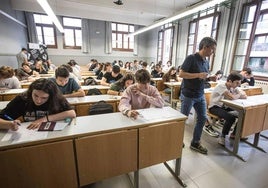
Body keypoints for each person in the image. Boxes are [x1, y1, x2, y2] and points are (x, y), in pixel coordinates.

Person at [179, 37, 217, 154]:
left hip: (200, 94)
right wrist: (198, 75)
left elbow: (202, 76)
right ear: (205, 47)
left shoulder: (206, 61)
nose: (213, 52)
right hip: (188, 94)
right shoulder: (191, 58)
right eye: (212, 49)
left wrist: (209, 77)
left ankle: (195, 142)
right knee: (182, 119)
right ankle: (177, 140)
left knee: (202, 118)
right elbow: (181, 74)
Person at [0, 78, 76, 130]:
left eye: (44, 98)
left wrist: (44, 119)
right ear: (31, 92)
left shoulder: (56, 98)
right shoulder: (22, 99)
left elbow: (72, 113)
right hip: (29, 133)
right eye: (35, 95)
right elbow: (2, 117)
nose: (38, 101)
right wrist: (9, 124)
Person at [208, 72, 247, 146]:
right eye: (237, 83)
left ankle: (234, 134)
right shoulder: (221, 86)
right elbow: (231, 97)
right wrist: (238, 95)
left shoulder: (233, 87)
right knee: (231, 117)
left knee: (243, 114)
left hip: (225, 107)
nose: (238, 85)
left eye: (239, 83)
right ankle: (223, 136)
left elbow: (245, 96)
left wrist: (237, 95)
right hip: (214, 107)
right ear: (229, 81)